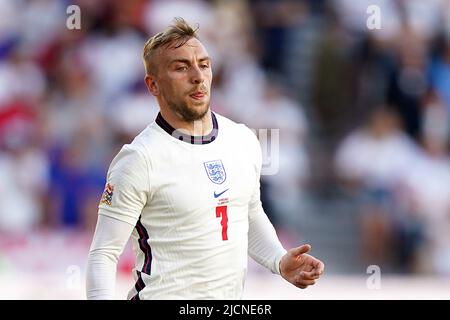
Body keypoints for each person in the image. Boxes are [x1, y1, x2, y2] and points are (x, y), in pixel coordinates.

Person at [86, 17, 324, 300]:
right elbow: (103, 253)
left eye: (204, 64)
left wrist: (279, 260)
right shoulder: (139, 159)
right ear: (153, 85)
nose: (197, 76)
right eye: (181, 67)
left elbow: (247, 213)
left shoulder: (243, 140)